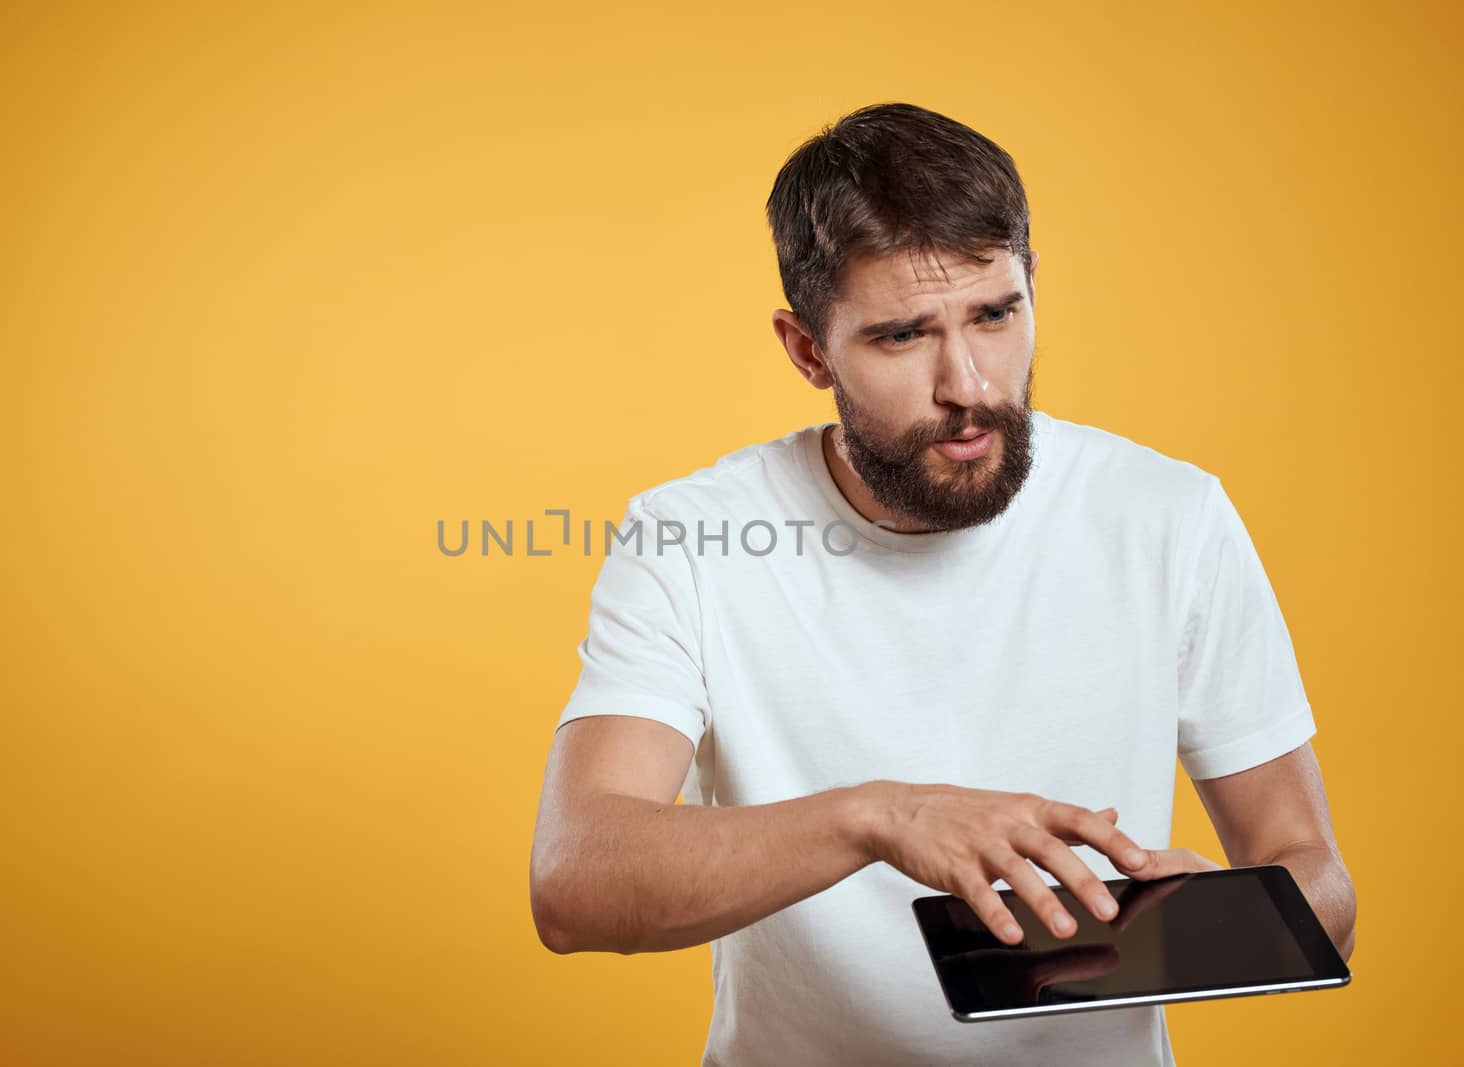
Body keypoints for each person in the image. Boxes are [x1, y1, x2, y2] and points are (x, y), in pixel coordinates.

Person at [528, 102, 1356, 1066]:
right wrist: (878, 815)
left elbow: (1320, 890)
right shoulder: (693, 537)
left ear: (1033, 286)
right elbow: (574, 878)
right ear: (808, 351)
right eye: (901, 336)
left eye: (996, 314)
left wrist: (1208, 924)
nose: (968, 383)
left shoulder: (1168, 515)